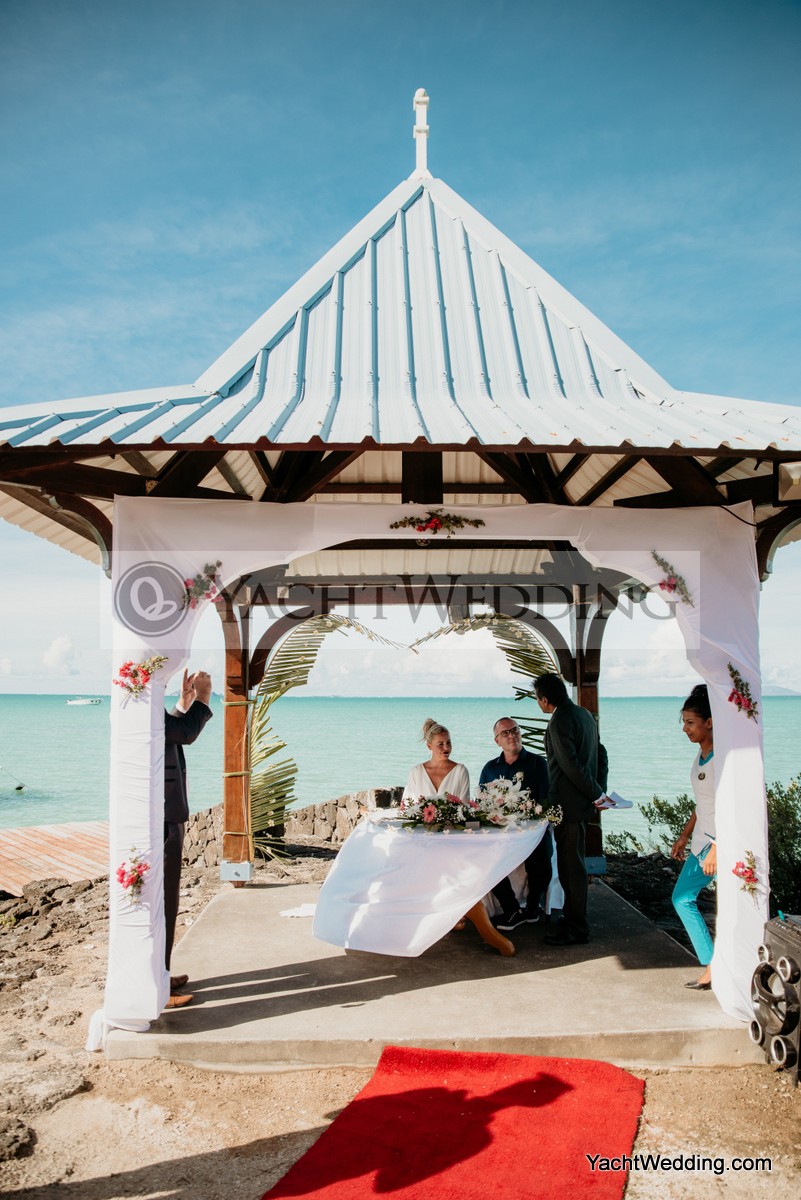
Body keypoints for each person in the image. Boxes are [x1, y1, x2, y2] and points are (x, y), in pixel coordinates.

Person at [534, 673, 608, 946]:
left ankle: (577, 928)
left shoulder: (559, 720)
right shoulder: (584, 714)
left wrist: (598, 794)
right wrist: (599, 791)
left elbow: (571, 766)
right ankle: (573, 920)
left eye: (538, 699)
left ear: (544, 699)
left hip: (568, 806)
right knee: (573, 865)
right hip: (583, 805)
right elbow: (601, 754)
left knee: (571, 869)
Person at [163, 669, 213, 1009]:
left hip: (168, 811)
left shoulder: (141, 696)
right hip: (162, 814)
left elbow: (168, 729)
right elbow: (181, 733)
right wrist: (204, 698)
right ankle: (155, 983)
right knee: (163, 902)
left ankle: (160, 972)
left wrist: (183, 703)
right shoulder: (139, 695)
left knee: (168, 901)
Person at [478, 717, 551, 931]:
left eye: (515, 730)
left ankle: (532, 907)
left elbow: (546, 800)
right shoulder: (490, 768)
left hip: (531, 829)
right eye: (505, 733)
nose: (511, 735)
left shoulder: (538, 763)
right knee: (484, 858)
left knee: (542, 856)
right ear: (497, 741)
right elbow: (483, 802)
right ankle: (511, 909)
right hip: (501, 832)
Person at [670, 683, 716, 991]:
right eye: (684, 722)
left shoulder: (722, 759)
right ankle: (713, 964)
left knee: (734, 908)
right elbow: (703, 803)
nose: (685, 728)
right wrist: (684, 836)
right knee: (682, 898)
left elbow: (730, 805)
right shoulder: (701, 755)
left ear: (709, 722)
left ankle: (719, 969)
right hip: (700, 843)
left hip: (719, 846)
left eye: (690, 722)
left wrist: (718, 847)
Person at [403, 718, 470, 801]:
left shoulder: (460, 771)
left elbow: (465, 805)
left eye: (448, 742)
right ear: (429, 746)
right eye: (440, 744)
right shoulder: (416, 773)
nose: (446, 748)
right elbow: (409, 805)